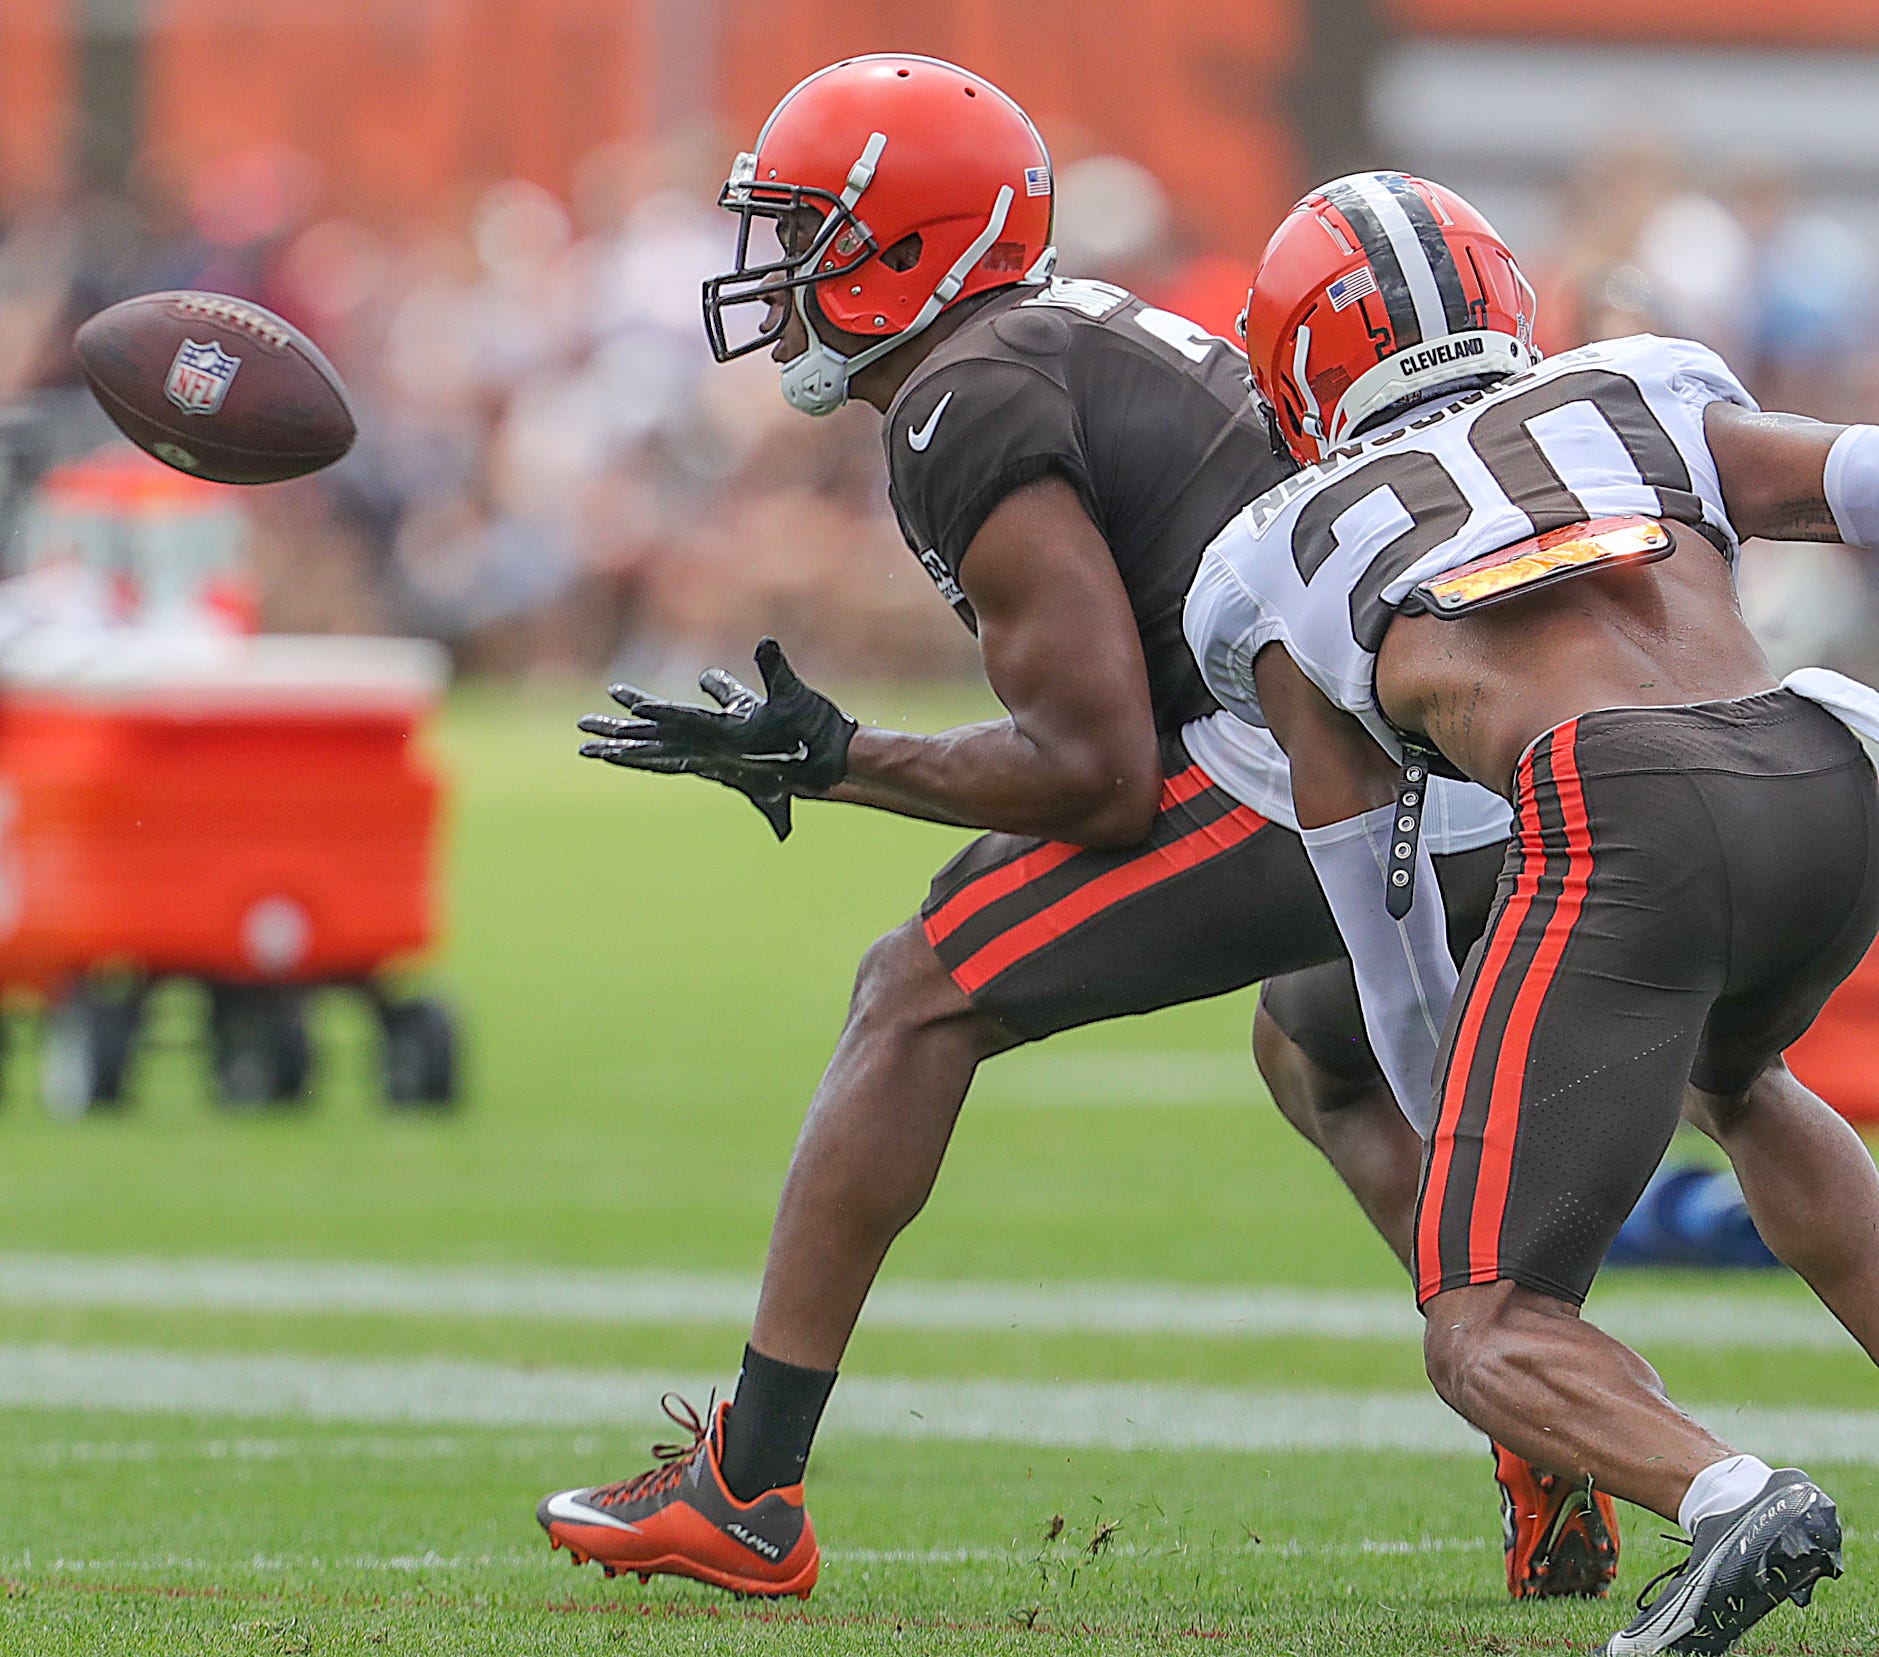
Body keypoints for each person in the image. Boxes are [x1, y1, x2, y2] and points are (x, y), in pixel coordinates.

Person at [534, 57, 1614, 1603]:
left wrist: (837, 756)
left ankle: (748, 1489)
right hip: (1449, 743)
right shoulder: (1054, 339)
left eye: (808, 234)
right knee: (1322, 1055)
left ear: (905, 248)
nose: (773, 274)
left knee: (916, 994)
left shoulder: (969, 394)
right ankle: (1540, 1418)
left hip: (1318, 757)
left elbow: (1096, 771)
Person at [1183, 169, 1879, 1655]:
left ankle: (1730, 1496)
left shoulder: (1275, 553)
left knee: (1482, 1322)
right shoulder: (1631, 389)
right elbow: (1860, 475)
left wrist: (1471, 1177)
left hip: (1623, 806)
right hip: (1830, 764)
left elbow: (1384, 928)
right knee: (1740, 1083)